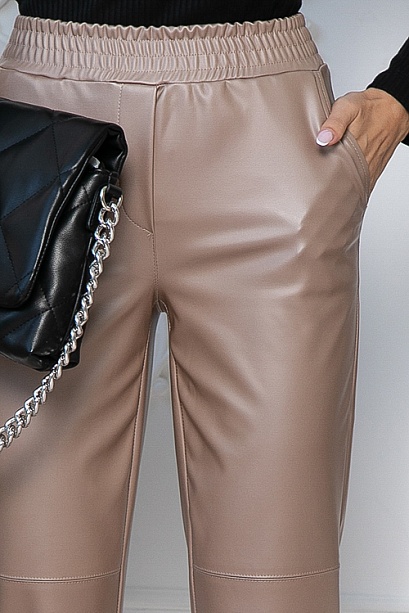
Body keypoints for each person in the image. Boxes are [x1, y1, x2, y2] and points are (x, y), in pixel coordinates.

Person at [0, 2, 408, 612]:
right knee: (33, 586)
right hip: (48, 134)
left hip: (266, 133)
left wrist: (398, 97)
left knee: (276, 588)